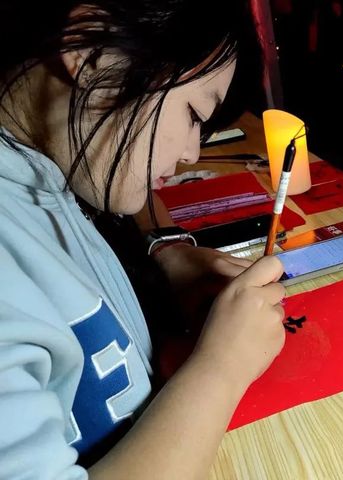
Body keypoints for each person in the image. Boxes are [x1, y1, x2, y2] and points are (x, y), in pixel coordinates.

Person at [0, 1, 287, 478]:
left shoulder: (45, 174)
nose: (191, 153)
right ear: (93, 53)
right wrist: (222, 367)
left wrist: (169, 258)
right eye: (193, 113)